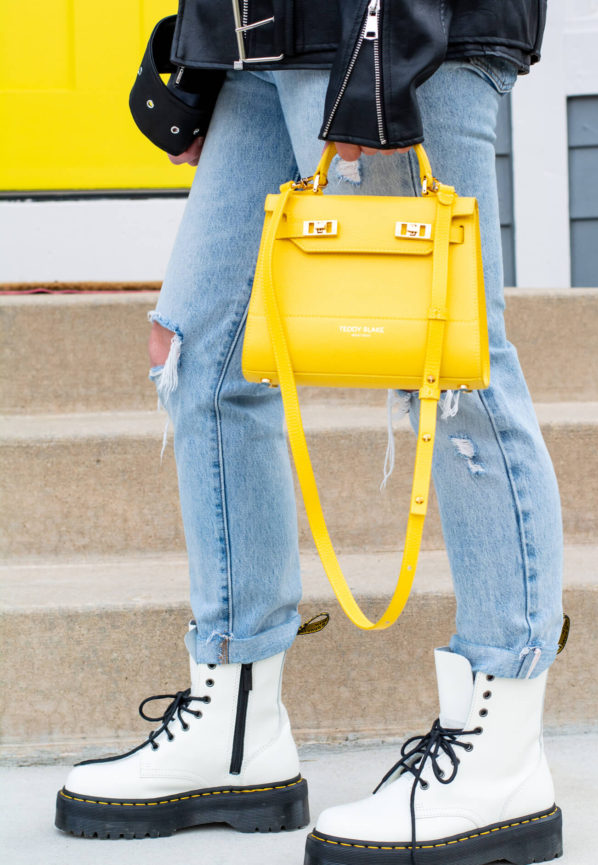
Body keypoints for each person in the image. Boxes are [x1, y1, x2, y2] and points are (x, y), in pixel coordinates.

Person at [55, 2, 565, 863]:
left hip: (396, 35)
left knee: (449, 367)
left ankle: (500, 745)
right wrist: (199, 51)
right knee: (196, 354)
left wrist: (382, 64)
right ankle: (236, 725)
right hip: (262, 42)